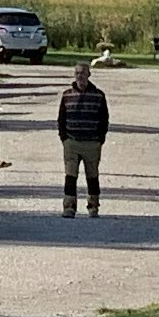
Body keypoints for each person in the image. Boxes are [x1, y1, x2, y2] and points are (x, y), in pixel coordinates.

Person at [55, 60, 112, 214]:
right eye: (77, 73)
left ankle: (93, 206)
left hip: (92, 143)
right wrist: (64, 138)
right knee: (70, 176)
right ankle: (69, 207)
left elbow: (104, 119)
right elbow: (61, 118)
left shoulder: (98, 96)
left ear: (89, 75)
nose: (79, 76)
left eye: (83, 73)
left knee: (92, 176)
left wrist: (100, 139)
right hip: (71, 142)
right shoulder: (67, 95)